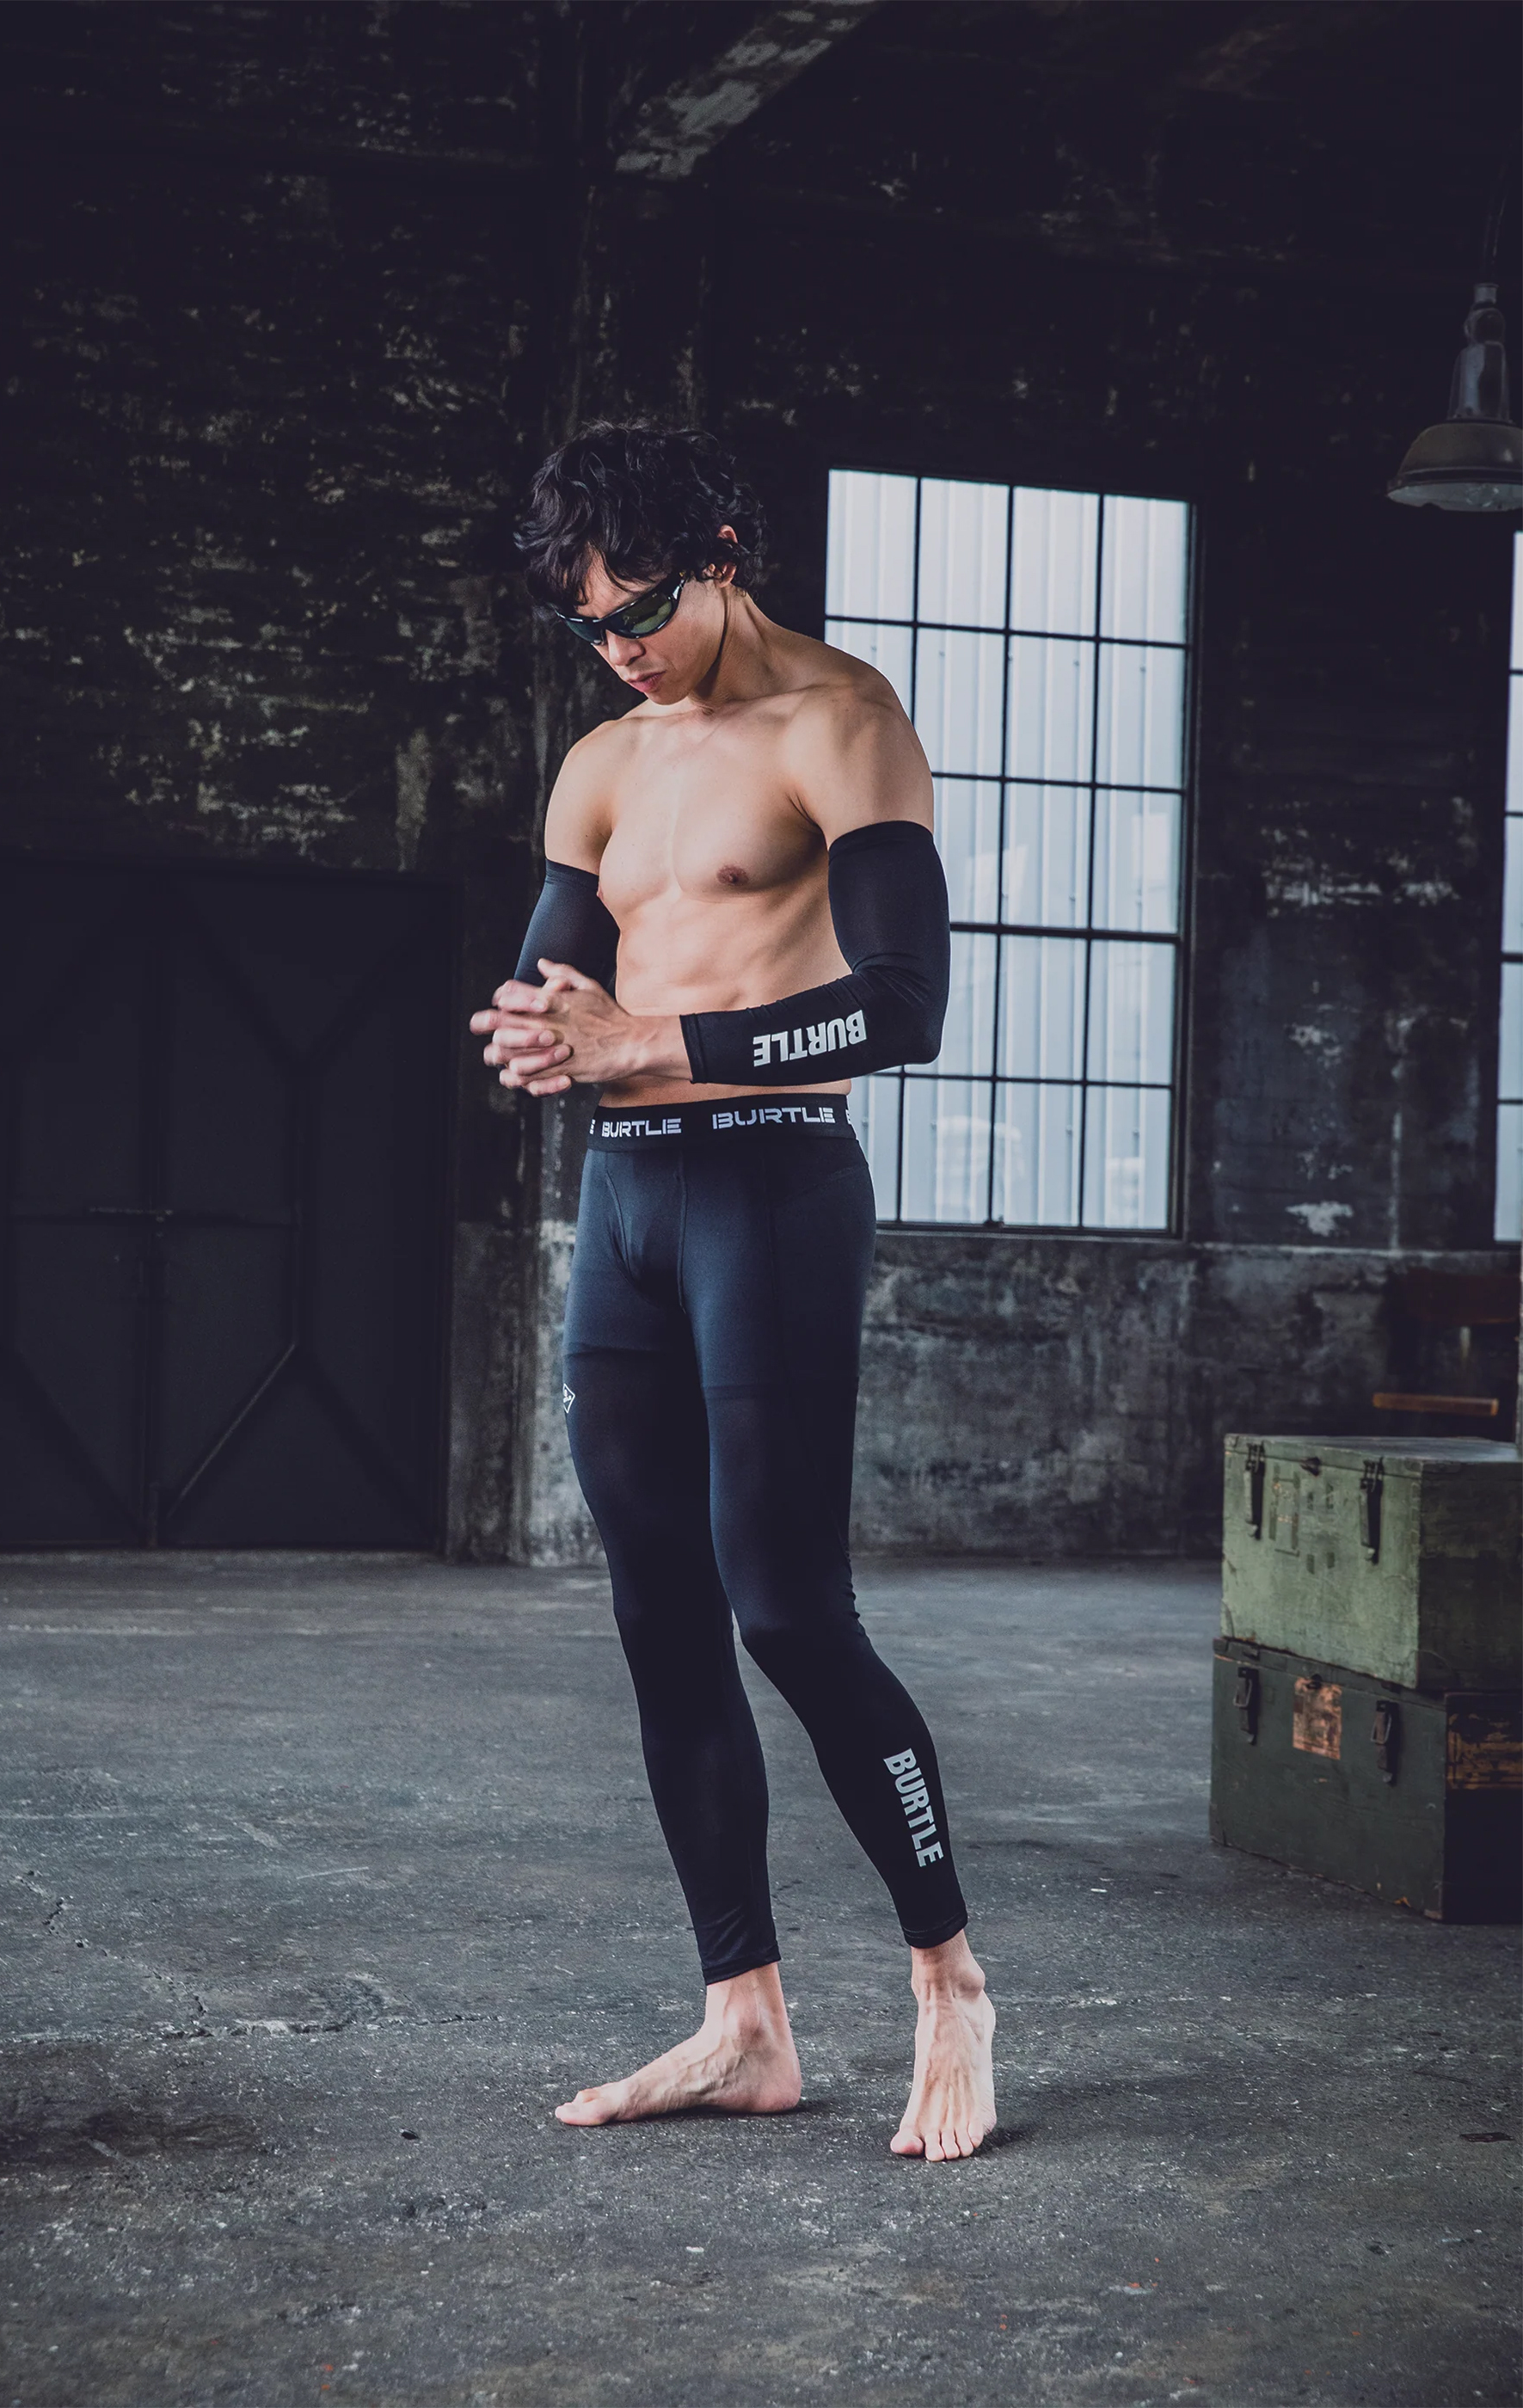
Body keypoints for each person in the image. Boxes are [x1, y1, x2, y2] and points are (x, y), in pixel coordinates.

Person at [471, 424, 995, 2163]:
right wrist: (536, 1035)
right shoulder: (601, 762)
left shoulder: (841, 722)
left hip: (771, 1188)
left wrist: (653, 1040)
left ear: (721, 550)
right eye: (589, 625)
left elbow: (907, 1006)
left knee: (786, 1612)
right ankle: (742, 2023)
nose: (619, 647)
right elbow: (560, 982)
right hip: (627, 1202)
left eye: (642, 609)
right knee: (661, 1618)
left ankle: (948, 1985)